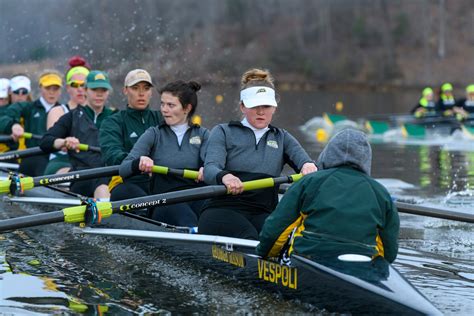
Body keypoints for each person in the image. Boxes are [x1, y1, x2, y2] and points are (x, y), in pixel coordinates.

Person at [199, 68, 317, 240]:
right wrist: (225, 177)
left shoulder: (282, 137)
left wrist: (308, 166)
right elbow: (210, 169)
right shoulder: (223, 132)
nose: (261, 111)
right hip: (223, 210)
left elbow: (305, 162)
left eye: (266, 106)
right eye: (255, 106)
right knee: (250, 237)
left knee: (285, 240)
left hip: (263, 212)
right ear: (243, 106)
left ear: (274, 108)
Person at [256, 129, 400, 263]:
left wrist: (264, 255)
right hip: (363, 263)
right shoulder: (381, 193)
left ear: (328, 154)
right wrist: (380, 269)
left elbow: (277, 228)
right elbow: (389, 252)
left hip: (310, 257)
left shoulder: (309, 182)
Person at [119, 80, 208, 227]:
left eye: (171, 105)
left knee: (213, 215)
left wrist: (208, 168)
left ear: (187, 108)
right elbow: (124, 169)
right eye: (162, 104)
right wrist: (140, 161)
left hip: (195, 197)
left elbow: (212, 164)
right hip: (165, 200)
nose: (164, 110)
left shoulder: (203, 134)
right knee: (187, 219)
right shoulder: (154, 134)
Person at [40, 70, 115, 199]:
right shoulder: (72, 116)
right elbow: (45, 142)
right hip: (81, 175)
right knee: (101, 182)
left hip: (110, 172)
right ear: (86, 90)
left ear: (108, 92)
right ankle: (107, 213)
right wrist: (63, 142)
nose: (99, 94)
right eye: (94, 89)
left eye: (103, 90)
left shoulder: (116, 117)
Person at [99, 69, 163, 201]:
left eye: (146, 88)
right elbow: (112, 154)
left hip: (160, 180)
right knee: (129, 194)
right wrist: (136, 163)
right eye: (135, 88)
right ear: (125, 91)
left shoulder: (162, 118)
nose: (141, 93)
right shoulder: (113, 121)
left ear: (151, 92)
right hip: (126, 181)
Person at [0, 70, 63, 176]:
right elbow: (5, 116)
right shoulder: (29, 107)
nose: (52, 92)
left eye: (55, 89)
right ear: (40, 88)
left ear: (60, 91)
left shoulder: (65, 110)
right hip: (34, 156)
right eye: (48, 88)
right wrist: (13, 125)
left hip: (57, 158)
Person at [44, 56, 91, 175]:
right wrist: (64, 142)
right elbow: (51, 140)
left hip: (91, 162)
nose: (80, 89)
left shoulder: (101, 112)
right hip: (63, 161)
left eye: (84, 85)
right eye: (75, 85)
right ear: (68, 88)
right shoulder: (57, 111)